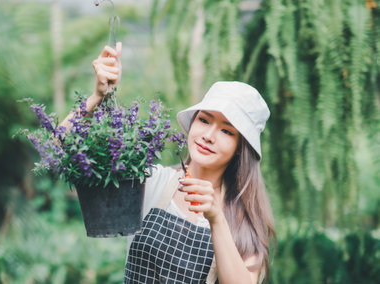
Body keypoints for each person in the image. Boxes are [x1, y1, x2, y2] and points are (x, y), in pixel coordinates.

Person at [61, 43, 275, 284]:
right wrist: (97, 97)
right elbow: (60, 146)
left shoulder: (244, 221)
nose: (208, 135)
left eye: (227, 131)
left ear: (240, 149)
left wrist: (217, 218)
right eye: (204, 120)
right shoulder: (152, 182)